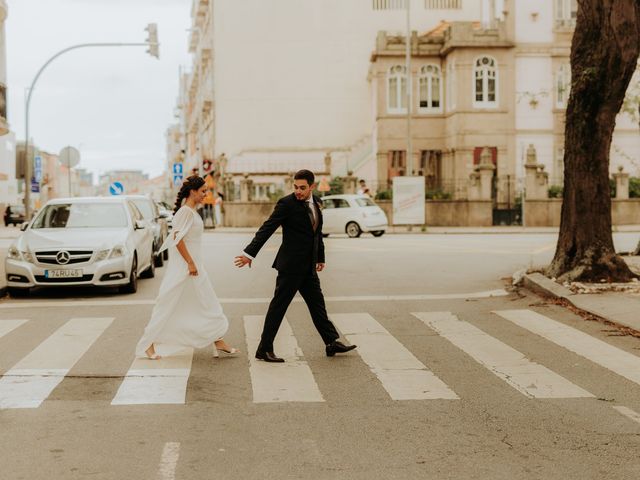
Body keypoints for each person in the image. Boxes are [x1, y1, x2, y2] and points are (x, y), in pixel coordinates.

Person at [234, 169, 357, 363]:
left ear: (312, 187)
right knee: (278, 308)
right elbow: (267, 228)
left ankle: (331, 342)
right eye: (295, 187)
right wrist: (249, 253)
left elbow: (317, 233)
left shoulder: (317, 202)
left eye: (302, 188)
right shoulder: (286, 204)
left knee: (318, 306)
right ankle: (264, 349)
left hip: (308, 267)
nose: (298, 191)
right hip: (290, 267)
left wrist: (320, 257)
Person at [136, 175, 239, 360]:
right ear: (193, 191)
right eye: (203, 191)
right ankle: (148, 344)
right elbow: (177, 239)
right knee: (168, 303)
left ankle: (218, 341)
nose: (205, 194)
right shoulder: (186, 212)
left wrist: (194, 263)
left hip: (195, 265)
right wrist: (190, 263)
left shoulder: (191, 211)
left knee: (206, 303)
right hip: (186, 267)